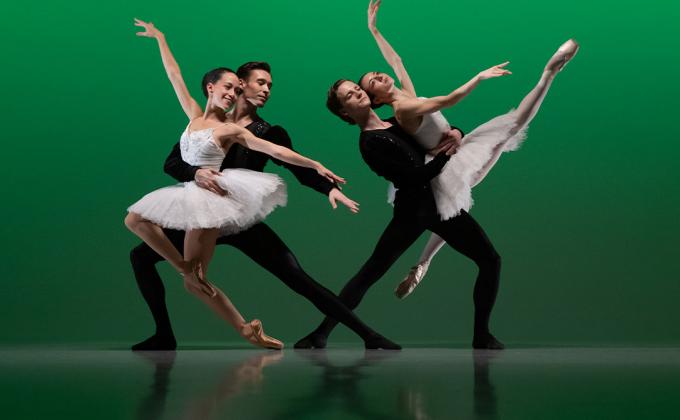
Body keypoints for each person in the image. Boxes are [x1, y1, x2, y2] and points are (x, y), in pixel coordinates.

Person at [128, 19, 401, 351]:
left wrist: (327, 186)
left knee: (296, 276)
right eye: (261, 82)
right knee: (143, 257)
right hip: (201, 212)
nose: (267, 89)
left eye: (270, 85)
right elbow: (172, 162)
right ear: (239, 84)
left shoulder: (266, 131)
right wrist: (196, 174)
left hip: (240, 218)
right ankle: (164, 335)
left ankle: (366, 335)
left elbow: (290, 160)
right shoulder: (207, 121)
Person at [359, 0, 579, 298]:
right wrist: (480, 76)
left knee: (501, 139)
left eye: (375, 73)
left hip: (456, 152)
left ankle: (422, 265)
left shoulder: (405, 94)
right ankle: (549, 73)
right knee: (505, 132)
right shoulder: (404, 108)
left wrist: (374, 30)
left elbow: (396, 60)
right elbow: (449, 100)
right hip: (445, 165)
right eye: (374, 81)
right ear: (377, 99)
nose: (379, 75)